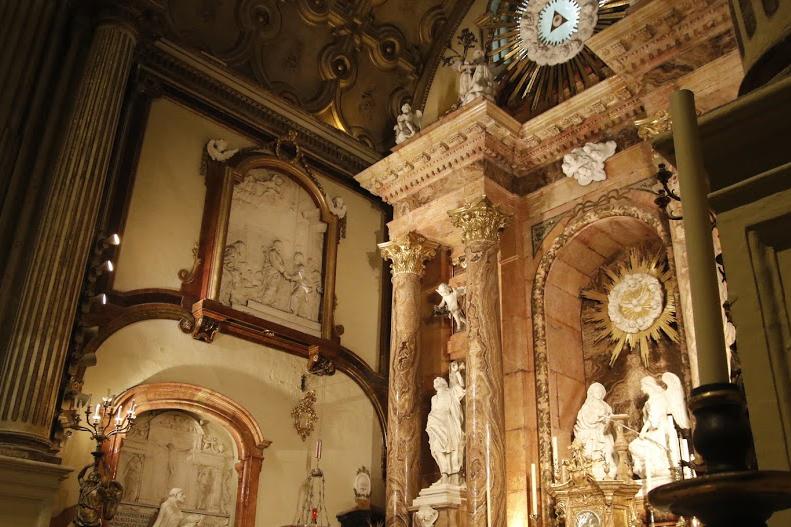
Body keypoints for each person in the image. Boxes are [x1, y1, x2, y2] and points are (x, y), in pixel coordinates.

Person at [426, 362, 466, 485]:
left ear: (444, 383)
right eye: (434, 382)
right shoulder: (434, 398)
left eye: (438, 381)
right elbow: (433, 410)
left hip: (447, 422)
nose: (436, 383)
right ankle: (444, 472)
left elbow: (462, 387)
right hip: (435, 423)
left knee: (451, 448)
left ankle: (452, 474)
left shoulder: (450, 392)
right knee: (436, 447)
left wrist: (456, 372)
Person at [573, 382, 615, 480]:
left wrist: (607, 420)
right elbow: (584, 421)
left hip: (603, 433)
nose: (599, 393)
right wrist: (598, 418)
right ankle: (595, 473)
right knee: (593, 454)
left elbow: (610, 420)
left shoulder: (606, 406)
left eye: (600, 391)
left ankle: (609, 472)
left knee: (608, 451)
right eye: (596, 391)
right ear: (592, 392)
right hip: (590, 434)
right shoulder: (587, 406)